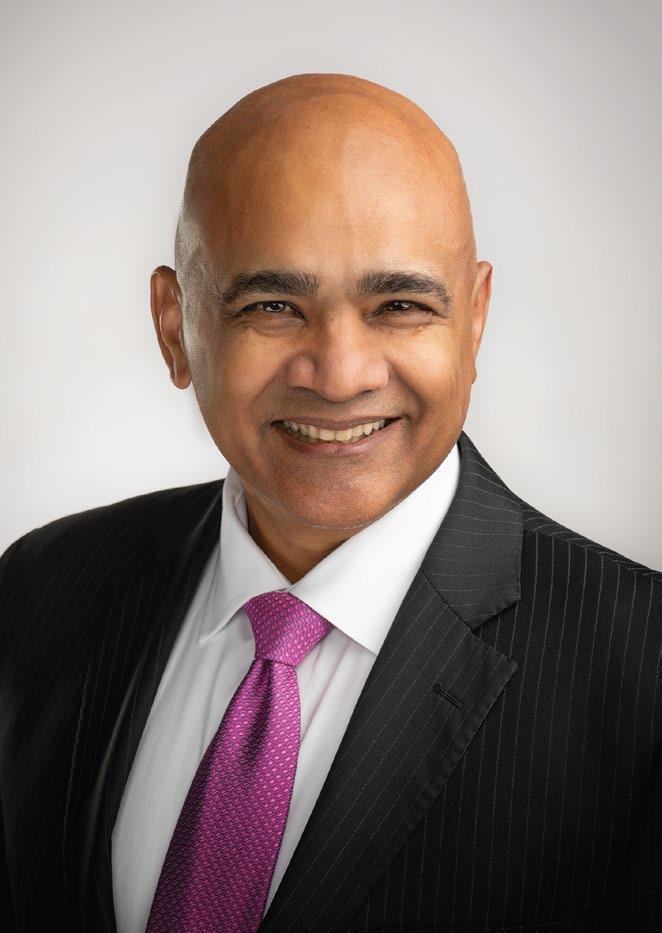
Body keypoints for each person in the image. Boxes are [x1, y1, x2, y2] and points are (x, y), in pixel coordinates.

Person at [0, 72, 659, 933]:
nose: (341, 375)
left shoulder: (642, 675)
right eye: (273, 305)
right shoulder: (40, 588)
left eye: (400, 305)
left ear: (474, 322)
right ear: (174, 326)